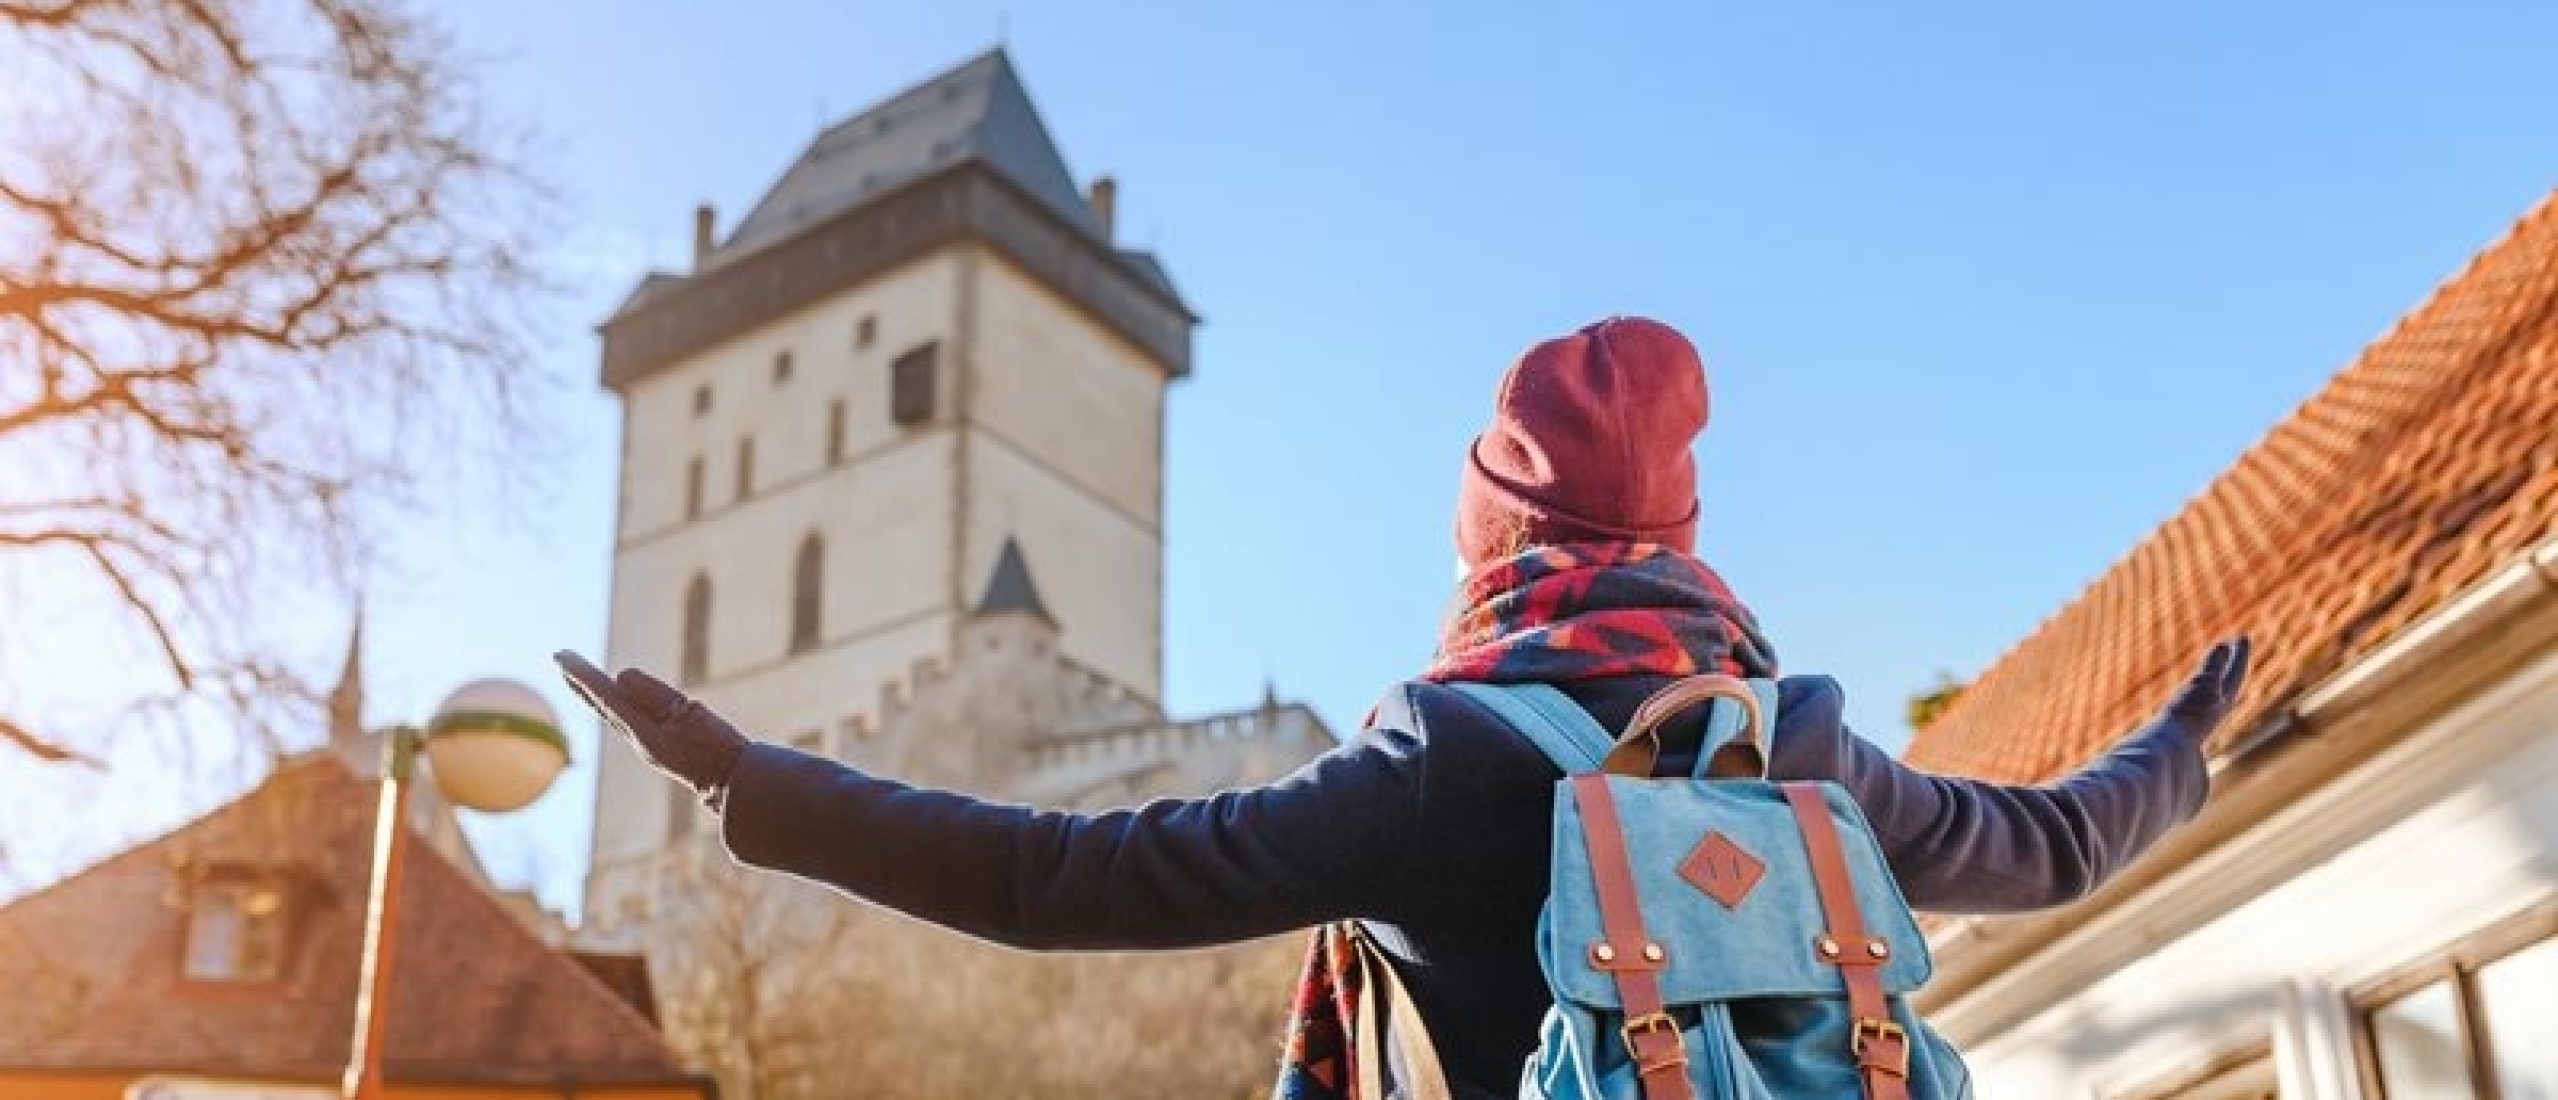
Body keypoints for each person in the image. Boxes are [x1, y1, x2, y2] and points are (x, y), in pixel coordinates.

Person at [560, 316, 2249, 1099]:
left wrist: (749, 783)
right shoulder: (1797, 750)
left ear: (1487, 541)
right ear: (1678, 538)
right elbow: (2058, 844)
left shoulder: (1439, 768)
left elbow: (1053, 881)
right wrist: (2181, 742)